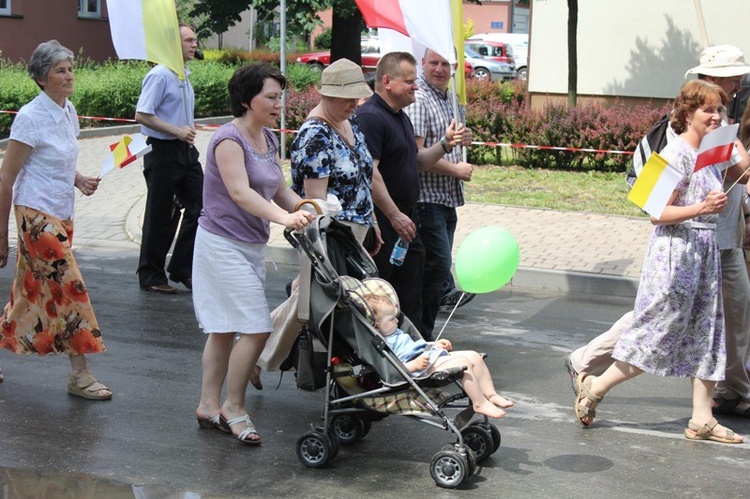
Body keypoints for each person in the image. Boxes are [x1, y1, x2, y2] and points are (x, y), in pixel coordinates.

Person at [567, 45, 750, 419]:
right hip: (676, 258)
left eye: (720, 110)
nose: (717, 115)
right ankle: (594, 383)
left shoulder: (714, 143)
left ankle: (703, 417)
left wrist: (733, 147)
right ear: (689, 113)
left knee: (708, 336)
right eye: (709, 110)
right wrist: (701, 208)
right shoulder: (670, 152)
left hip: (706, 253)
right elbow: (653, 210)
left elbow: (741, 175)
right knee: (654, 333)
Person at [193, 63, 316, 445]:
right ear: (247, 100)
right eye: (271, 97)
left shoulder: (268, 138)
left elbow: (277, 187)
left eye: (281, 97)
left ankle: (207, 405)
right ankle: (234, 406)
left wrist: (310, 207)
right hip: (220, 244)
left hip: (248, 245)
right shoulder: (229, 140)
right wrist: (286, 218)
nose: (279, 104)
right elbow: (240, 193)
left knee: (225, 329)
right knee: (257, 327)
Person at [0, 40, 111, 400]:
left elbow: (59, 158)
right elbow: (6, 179)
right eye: (60, 70)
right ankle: (80, 375)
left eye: (70, 68)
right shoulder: (30, 117)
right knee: (70, 288)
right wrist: (2, 236)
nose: (69, 75)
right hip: (35, 217)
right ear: (40, 78)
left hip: (62, 214)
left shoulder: (68, 110)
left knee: (27, 296)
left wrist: (78, 179)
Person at [256, 59, 377, 375]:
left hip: (355, 231)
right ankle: (253, 353)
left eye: (357, 96)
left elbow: (366, 176)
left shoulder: (349, 122)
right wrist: (323, 250)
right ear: (328, 96)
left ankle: (253, 352)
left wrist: (373, 221)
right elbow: (315, 204)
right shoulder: (315, 134)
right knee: (311, 304)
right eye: (348, 97)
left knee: (309, 300)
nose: (355, 103)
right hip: (329, 236)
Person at [356, 51, 462, 339]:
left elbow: (417, 162)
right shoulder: (371, 117)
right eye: (410, 81)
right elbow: (371, 173)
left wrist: (444, 144)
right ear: (387, 81)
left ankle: (416, 352)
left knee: (410, 293)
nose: (416, 86)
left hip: (406, 217)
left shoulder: (399, 117)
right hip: (386, 221)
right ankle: (383, 360)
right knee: (383, 296)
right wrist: (394, 215)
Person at [404, 49, 476, 337]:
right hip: (426, 200)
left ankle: (422, 334)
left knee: (435, 272)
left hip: (446, 199)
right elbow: (417, 156)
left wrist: (464, 138)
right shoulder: (420, 99)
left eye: (446, 63)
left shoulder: (450, 99)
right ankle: (419, 335)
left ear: (455, 67)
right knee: (436, 270)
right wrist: (456, 169)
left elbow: (449, 139)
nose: (439, 68)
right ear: (422, 63)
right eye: (433, 62)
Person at [134, 23, 204, 294]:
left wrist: (185, 130)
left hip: (185, 151)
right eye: (188, 40)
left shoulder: (183, 74)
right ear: (173, 45)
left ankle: (181, 268)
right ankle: (151, 275)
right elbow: (142, 114)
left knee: (203, 206)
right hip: (162, 151)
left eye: (194, 40)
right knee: (159, 214)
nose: (193, 45)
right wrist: (177, 130)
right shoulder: (160, 74)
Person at [364, 293, 513, 419]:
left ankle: (491, 395)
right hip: (419, 369)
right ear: (376, 325)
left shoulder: (395, 332)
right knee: (463, 362)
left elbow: (416, 346)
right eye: (391, 319)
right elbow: (393, 368)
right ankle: (479, 403)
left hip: (429, 358)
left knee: (474, 356)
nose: (397, 320)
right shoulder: (383, 342)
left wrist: (434, 345)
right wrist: (414, 365)